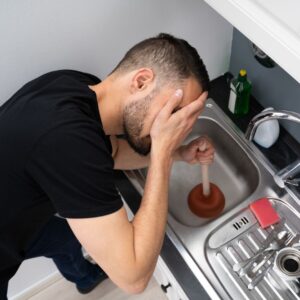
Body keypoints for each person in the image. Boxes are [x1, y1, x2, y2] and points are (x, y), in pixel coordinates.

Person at [0, 33, 214, 298]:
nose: (175, 126)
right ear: (141, 81)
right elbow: (133, 278)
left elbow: (113, 153)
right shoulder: (67, 141)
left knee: (65, 239)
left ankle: (84, 276)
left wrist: (179, 152)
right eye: (174, 111)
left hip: (18, 214)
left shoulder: (80, 87)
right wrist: (162, 153)